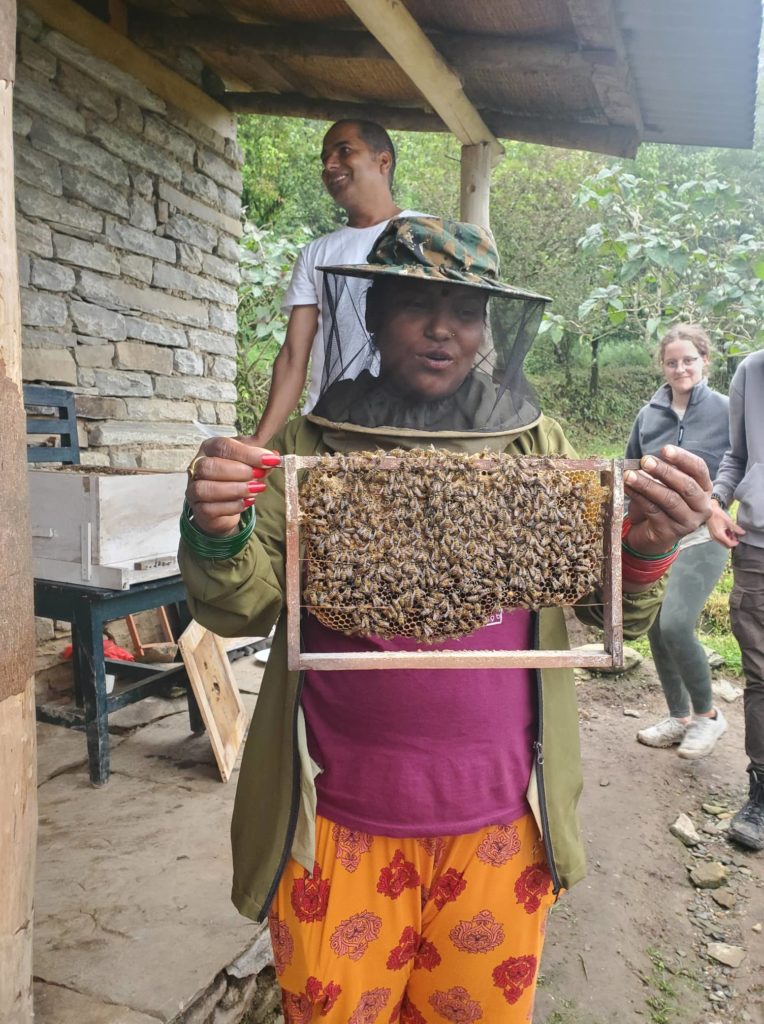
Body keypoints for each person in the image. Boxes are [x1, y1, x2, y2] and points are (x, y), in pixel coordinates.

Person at [179, 217, 712, 1022]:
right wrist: (217, 528)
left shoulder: (537, 443)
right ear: (373, 316)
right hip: (333, 822)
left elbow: (615, 615)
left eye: (464, 310)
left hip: (500, 819)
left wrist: (642, 549)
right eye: (414, 304)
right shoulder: (310, 442)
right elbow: (239, 603)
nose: (440, 328)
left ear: (488, 328)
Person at [252, 119, 420, 447]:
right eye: (325, 158)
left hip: (409, 432)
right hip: (330, 430)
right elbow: (292, 355)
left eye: (344, 151)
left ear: (382, 161)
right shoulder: (317, 253)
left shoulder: (426, 236)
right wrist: (262, 439)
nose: (330, 165)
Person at [626, 325, 730, 758]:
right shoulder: (649, 414)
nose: (681, 367)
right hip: (656, 534)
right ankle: (680, 715)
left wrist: (716, 500)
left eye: (689, 359)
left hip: (706, 532)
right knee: (653, 625)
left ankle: (708, 717)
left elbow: (740, 461)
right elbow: (629, 462)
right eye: (672, 361)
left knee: (675, 623)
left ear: (705, 360)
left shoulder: (727, 409)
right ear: (663, 366)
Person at [708, 348, 764, 851]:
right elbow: (738, 456)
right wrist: (715, 500)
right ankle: (761, 793)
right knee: (761, 674)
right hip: (758, 547)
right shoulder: (753, 370)